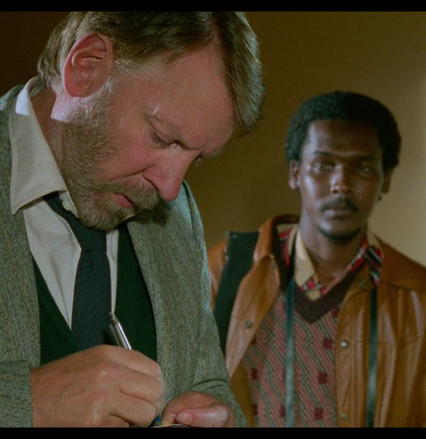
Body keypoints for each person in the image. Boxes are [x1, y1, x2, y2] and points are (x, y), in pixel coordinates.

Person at [0, 12, 264, 427]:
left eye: (197, 159)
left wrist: (218, 417)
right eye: (162, 136)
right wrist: (26, 403)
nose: (170, 189)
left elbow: (208, 383)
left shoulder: (179, 215)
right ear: (86, 68)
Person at [208, 90, 426, 427]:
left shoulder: (424, 297)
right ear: (295, 173)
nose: (340, 185)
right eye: (323, 165)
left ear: (385, 180)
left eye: (363, 167)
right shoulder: (225, 269)